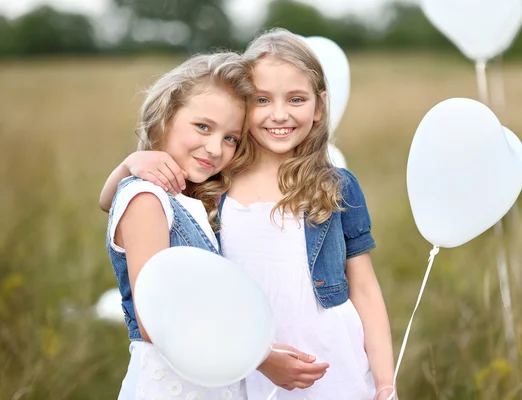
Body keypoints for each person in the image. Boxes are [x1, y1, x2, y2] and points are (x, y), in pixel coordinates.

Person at [100, 28, 397, 400]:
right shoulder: (213, 182)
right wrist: (129, 165)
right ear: (244, 104)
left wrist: (386, 383)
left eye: (296, 99)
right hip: (246, 367)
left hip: (331, 361)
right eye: (261, 99)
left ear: (319, 106)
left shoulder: (334, 186)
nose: (279, 114)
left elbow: (366, 290)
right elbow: (128, 207)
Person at [105, 51, 254, 400]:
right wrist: (260, 356)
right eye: (203, 126)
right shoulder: (146, 199)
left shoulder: (193, 200)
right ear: (163, 119)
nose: (215, 148)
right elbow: (153, 320)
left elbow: (105, 201)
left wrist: (127, 165)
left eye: (231, 138)